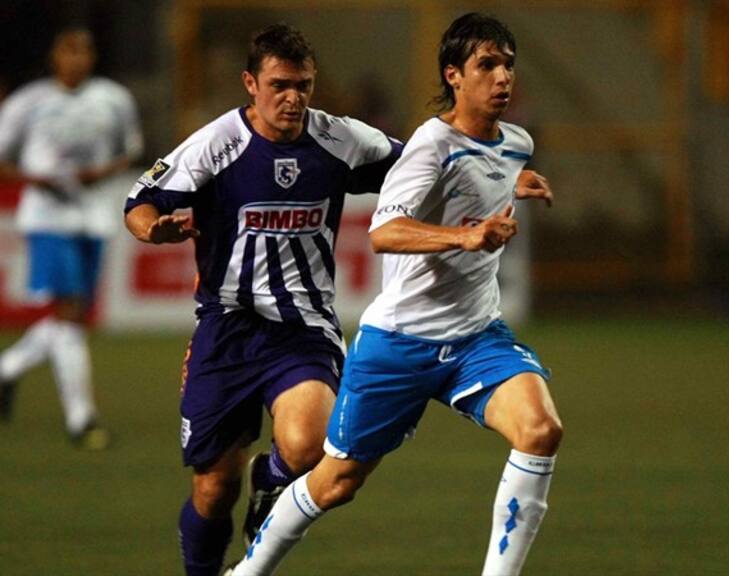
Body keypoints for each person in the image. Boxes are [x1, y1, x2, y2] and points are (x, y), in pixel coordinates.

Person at [226, 12, 563, 576]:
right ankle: (246, 573)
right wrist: (466, 236)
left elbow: (483, 177)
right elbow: (384, 231)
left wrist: (513, 181)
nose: (503, 76)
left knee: (541, 430)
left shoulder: (516, 144)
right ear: (454, 75)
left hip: (476, 338)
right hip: (399, 344)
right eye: (486, 65)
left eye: (507, 65)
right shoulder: (431, 144)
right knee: (336, 482)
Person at [123, 24, 403, 576]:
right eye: (279, 85)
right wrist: (154, 229)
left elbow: (421, 163)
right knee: (213, 487)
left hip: (303, 328)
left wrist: (494, 175)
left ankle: (270, 479)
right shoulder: (217, 144)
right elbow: (140, 200)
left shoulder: (340, 139)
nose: (293, 98)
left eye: (303, 85)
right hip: (227, 328)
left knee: (309, 446)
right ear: (250, 83)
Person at [0, 26, 143, 449]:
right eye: (69, 50)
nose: (76, 58)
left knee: (74, 318)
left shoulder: (113, 98)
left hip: (94, 216)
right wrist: (38, 179)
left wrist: (103, 172)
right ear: (55, 57)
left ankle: (7, 368)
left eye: (84, 51)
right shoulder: (29, 101)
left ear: (92, 57)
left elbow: (132, 149)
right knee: (68, 313)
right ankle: (81, 418)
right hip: (47, 217)